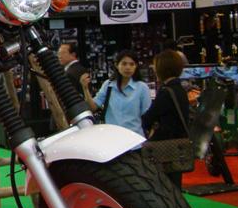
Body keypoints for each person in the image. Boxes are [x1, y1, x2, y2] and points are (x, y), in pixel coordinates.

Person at [142, 49, 190, 188]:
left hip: (165, 144)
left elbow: (149, 117)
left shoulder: (166, 92)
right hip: (179, 144)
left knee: (165, 185)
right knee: (175, 184)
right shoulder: (180, 89)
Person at [80, 49, 150, 136]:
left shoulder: (142, 87)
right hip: (112, 137)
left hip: (134, 137)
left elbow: (147, 115)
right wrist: (85, 89)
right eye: (124, 64)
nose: (128, 67)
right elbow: (93, 107)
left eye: (132, 64)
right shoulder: (108, 85)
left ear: (136, 66)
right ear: (117, 65)